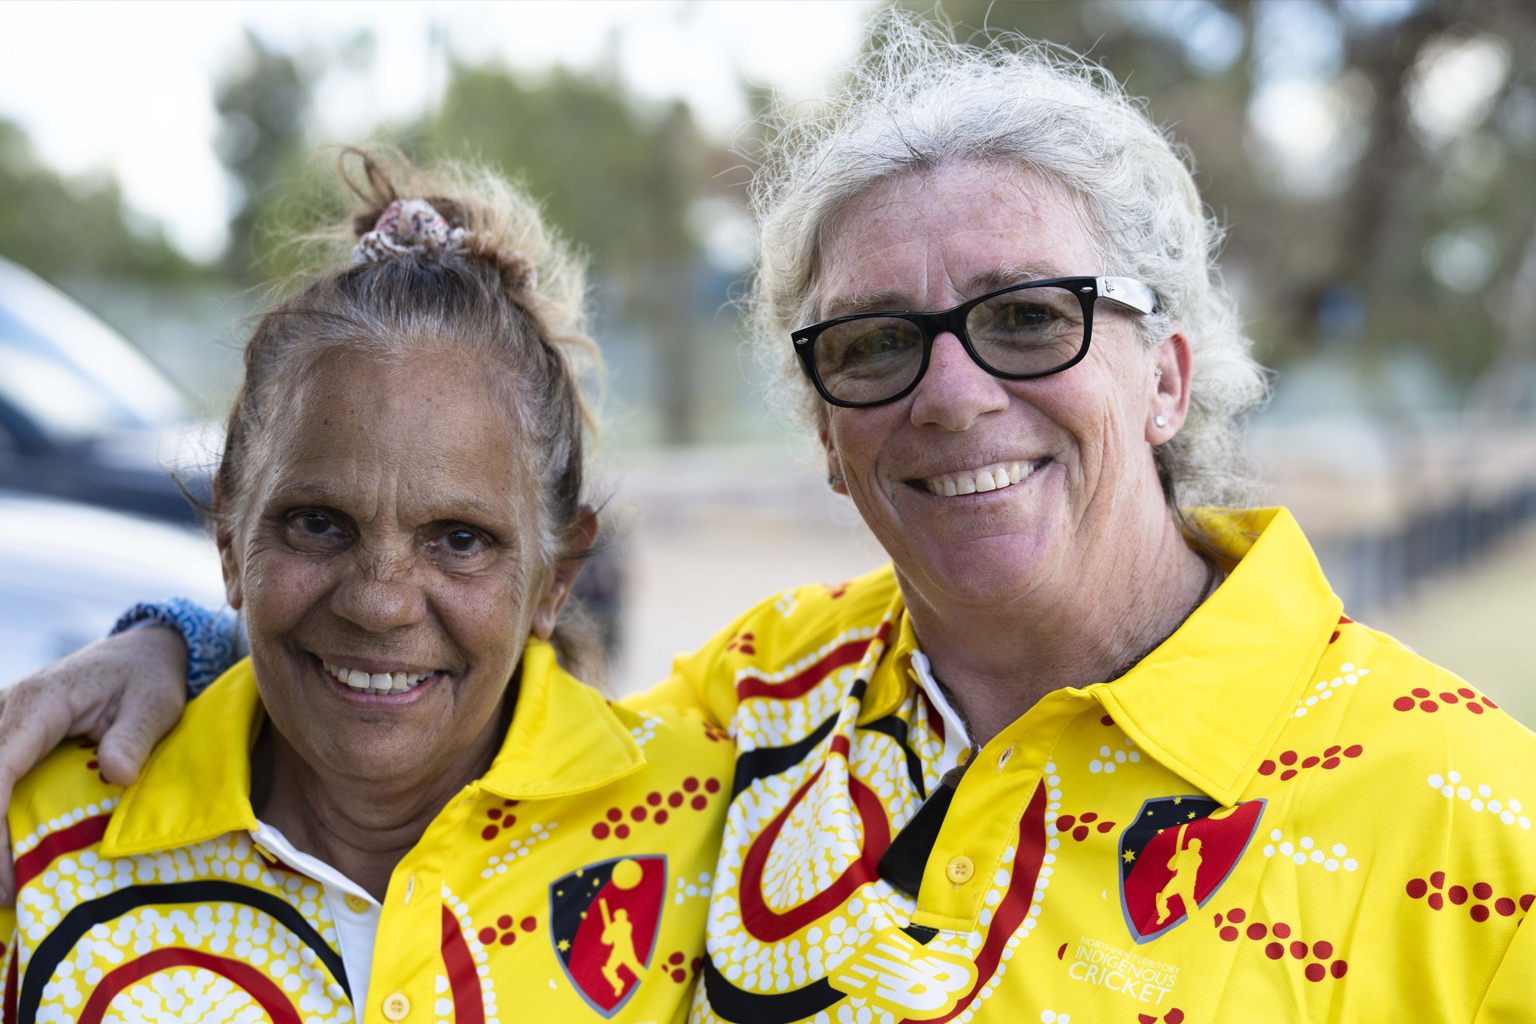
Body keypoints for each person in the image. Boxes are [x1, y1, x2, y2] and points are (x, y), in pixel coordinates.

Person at [5, 17, 1534, 1022]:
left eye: (1026, 320)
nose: (949, 395)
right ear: (826, 432)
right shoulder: (757, 709)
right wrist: (194, 646)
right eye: (876, 343)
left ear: (1170, 371)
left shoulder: (1475, 829)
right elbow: (443, 693)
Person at [0, 153, 732, 1024]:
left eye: (459, 540)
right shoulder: (39, 835)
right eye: (317, 523)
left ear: (554, 579)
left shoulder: (710, 832)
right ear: (230, 536)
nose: (379, 601)